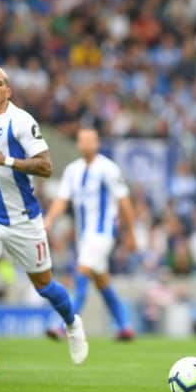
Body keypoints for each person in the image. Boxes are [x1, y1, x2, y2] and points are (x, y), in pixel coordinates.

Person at [0, 66, 88, 379]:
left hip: (23, 221)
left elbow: (46, 166)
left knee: (44, 286)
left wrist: (7, 160)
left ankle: (72, 322)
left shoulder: (20, 121)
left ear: (8, 91)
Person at [44, 128, 137, 340]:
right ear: (78, 144)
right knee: (102, 282)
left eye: (91, 140)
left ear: (97, 143)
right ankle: (124, 325)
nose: (86, 144)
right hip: (83, 237)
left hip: (102, 234)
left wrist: (131, 234)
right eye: (82, 140)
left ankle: (63, 324)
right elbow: (61, 200)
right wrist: (49, 219)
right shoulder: (72, 170)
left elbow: (124, 202)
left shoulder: (108, 168)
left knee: (81, 274)